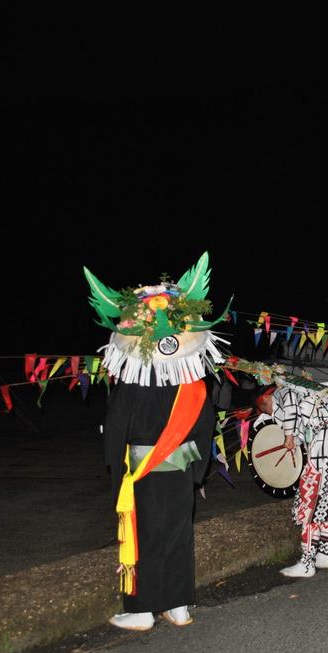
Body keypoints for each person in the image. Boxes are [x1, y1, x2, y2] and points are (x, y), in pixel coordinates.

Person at [85, 253, 226, 631]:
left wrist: (117, 473)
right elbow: (205, 427)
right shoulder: (193, 384)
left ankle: (142, 610)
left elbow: (115, 430)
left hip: (141, 471)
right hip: (178, 470)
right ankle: (178, 606)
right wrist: (193, 470)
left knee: (143, 534)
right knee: (178, 534)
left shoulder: (130, 383)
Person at [256, 380, 328, 577]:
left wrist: (288, 437)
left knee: (311, 500)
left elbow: (292, 410)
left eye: (265, 408)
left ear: (267, 398)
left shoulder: (284, 390)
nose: (269, 413)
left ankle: (306, 563)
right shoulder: (312, 393)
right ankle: (323, 554)